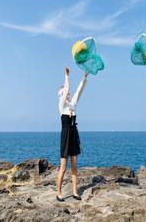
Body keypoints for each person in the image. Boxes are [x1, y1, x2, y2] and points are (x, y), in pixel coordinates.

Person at [56, 66, 88, 202]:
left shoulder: (72, 105)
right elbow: (68, 90)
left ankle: (75, 191)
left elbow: (79, 91)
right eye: (64, 92)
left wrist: (84, 77)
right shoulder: (61, 105)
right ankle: (58, 193)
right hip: (65, 137)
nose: (67, 93)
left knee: (74, 165)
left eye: (66, 92)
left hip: (74, 135)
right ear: (61, 94)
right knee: (63, 167)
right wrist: (67, 76)